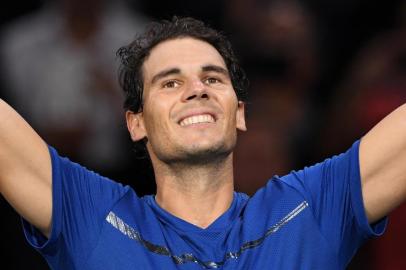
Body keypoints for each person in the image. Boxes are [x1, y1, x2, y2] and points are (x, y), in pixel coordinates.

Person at [0, 17, 405, 269]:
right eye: (170, 82)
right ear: (135, 123)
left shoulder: (310, 208)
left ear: (239, 112)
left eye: (213, 78)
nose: (197, 90)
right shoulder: (92, 217)